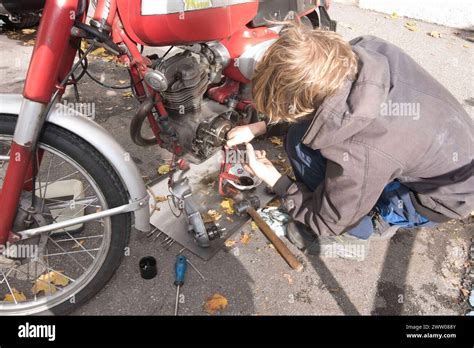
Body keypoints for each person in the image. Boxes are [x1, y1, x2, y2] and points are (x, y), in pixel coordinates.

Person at [226, 22, 473, 260]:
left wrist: (276, 180)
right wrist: (260, 128)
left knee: (323, 221)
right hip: (448, 146)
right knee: (298, 139)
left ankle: (368, 227)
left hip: (437, 199)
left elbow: (327, 220)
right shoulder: (366, 50)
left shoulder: (362, 151)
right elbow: (324, 102)